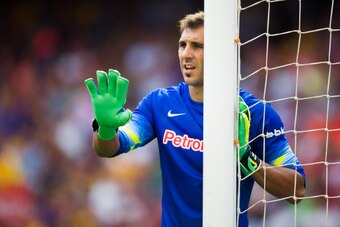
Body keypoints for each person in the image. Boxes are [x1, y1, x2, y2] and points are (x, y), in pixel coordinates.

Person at [84, 11, 306, 227]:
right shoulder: (159, 103)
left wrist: (245, 157)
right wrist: (105, 127)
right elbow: (110, 147)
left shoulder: (254, 113)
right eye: (183, 45)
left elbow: (297, 190)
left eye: (198, 46)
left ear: (222, 53)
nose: (186, 54)